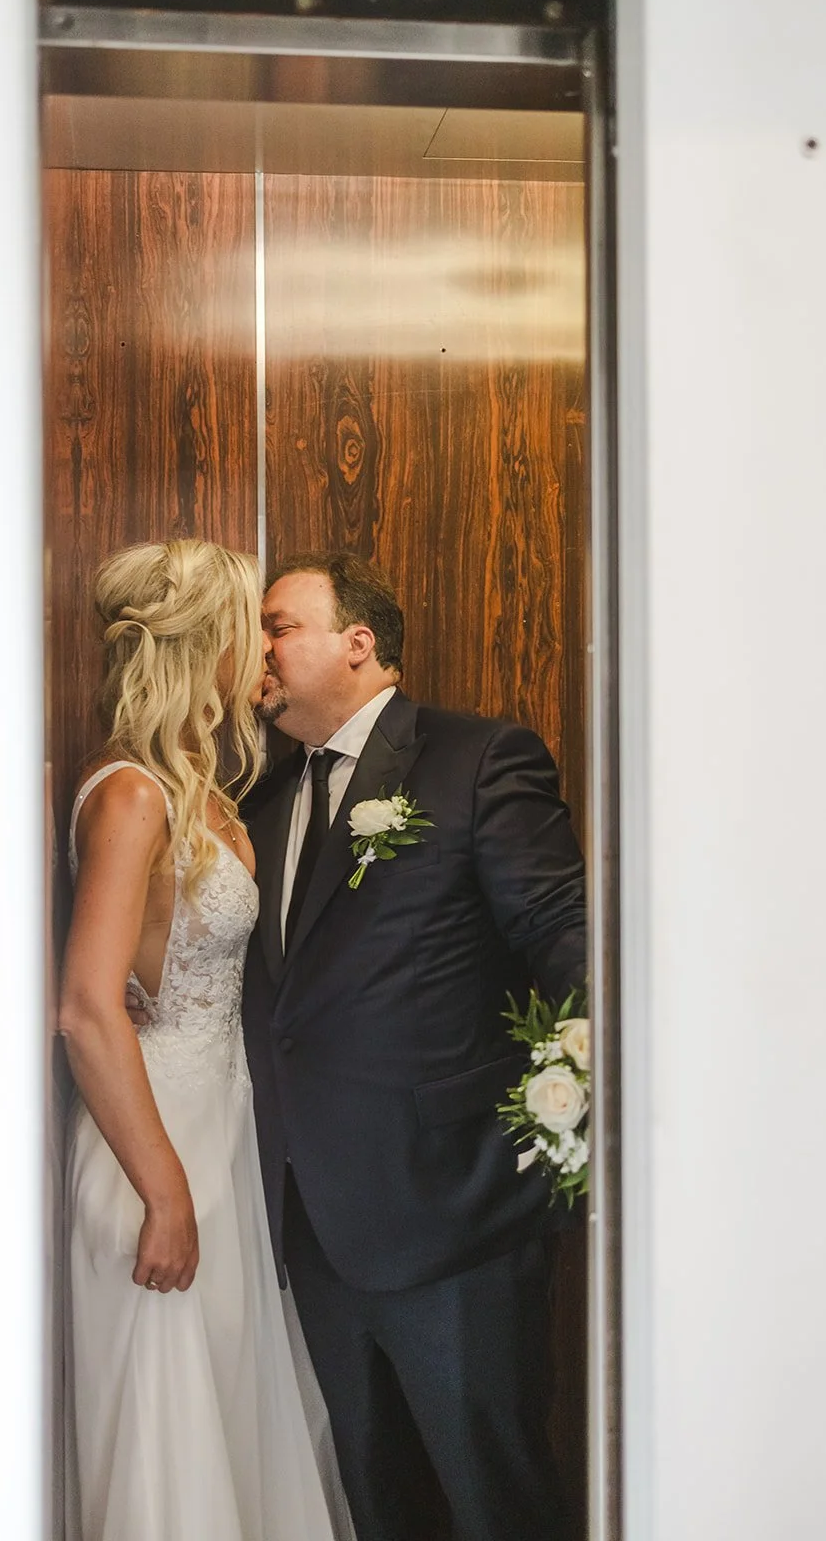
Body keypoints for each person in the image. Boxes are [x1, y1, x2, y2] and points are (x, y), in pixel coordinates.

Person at [241, 552, 586, 1541]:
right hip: (304, 1229)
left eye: (278, 626)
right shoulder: (260, 801)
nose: (258, 650)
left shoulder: (473, 759)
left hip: (457, 1220)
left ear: (358, 645)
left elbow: (573, 950)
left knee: (494, 1498)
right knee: (364, 1502)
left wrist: (546, 1146)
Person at [60, 539, 351, 1541]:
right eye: (248, 631)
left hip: (219, 1135)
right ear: (201, 645)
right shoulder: (132, 795)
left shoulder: (208, 795)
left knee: (223, 1429)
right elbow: (87, 1007)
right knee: (165, 1448)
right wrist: (165, 1192)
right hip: (155, 1153)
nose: (261, 652)